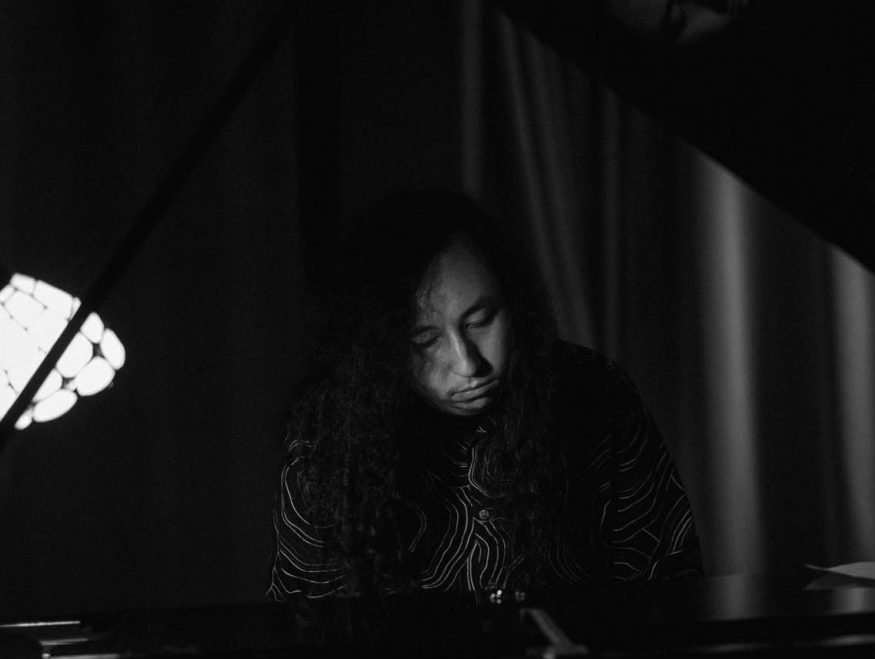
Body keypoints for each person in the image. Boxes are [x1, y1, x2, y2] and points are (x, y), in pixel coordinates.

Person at [267, 188, 701, 602]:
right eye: (425, 340)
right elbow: (310, 626)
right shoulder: (328, 438)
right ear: (380, 347)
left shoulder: (597, 395)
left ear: (513, 304)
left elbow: (666, 585)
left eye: (481, 320)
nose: (468, 363)